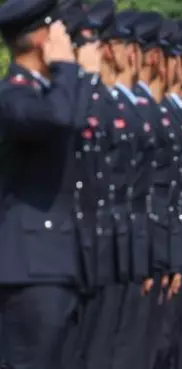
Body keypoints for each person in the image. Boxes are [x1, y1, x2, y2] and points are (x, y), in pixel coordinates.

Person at [0, 0, 100, 368]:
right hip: (29, 267)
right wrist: (68, 68)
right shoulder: (14, 95)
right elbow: (61, 119)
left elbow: (76, 120)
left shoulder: (47, 93)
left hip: (56, 260)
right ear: (44, 38)